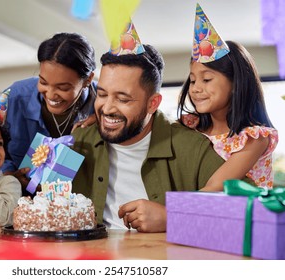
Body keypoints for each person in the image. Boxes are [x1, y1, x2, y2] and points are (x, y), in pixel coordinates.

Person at [71, 41, 225, 233]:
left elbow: (251, 209)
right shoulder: (79, 140)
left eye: (123, 99)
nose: (108, 108)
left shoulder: (191, 147)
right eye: (102, 95)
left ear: (153, 103)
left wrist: (174, 217)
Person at [177, 5, 278, 191]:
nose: (196, 88)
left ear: (235, 83)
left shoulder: (253, 138)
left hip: (243, 219)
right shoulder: (190, 126)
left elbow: (215, 187)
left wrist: (169, 214)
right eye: (192, 81)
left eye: (206, 79)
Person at [0, 32, 97, 194]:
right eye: (43, 82)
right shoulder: (14, 96)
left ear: (88, 80)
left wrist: (106, 120)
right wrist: (9, 176)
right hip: (17, 203)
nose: (51, 95)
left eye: (63, 88)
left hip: (81, 204)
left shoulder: (105, 104)